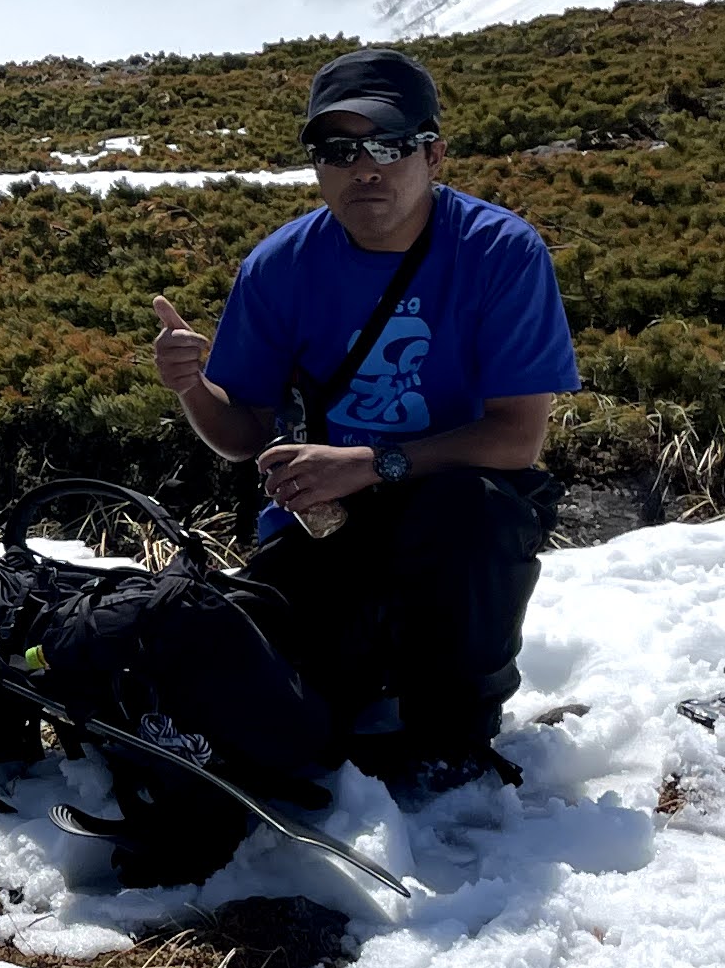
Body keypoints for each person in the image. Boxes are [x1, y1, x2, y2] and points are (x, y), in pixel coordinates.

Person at [149, 46, 578, 797]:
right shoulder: (281, 266)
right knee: (267, 686)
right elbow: (243, 432)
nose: (364, 168)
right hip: (329, 525)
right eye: (338, 150)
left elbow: (517, 437)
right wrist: (192, 390)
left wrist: (369, 463)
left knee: (468, 515)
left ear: (434, 153)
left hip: (460, 507)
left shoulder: (499, 254)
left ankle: (454, 734)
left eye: (387, 144)